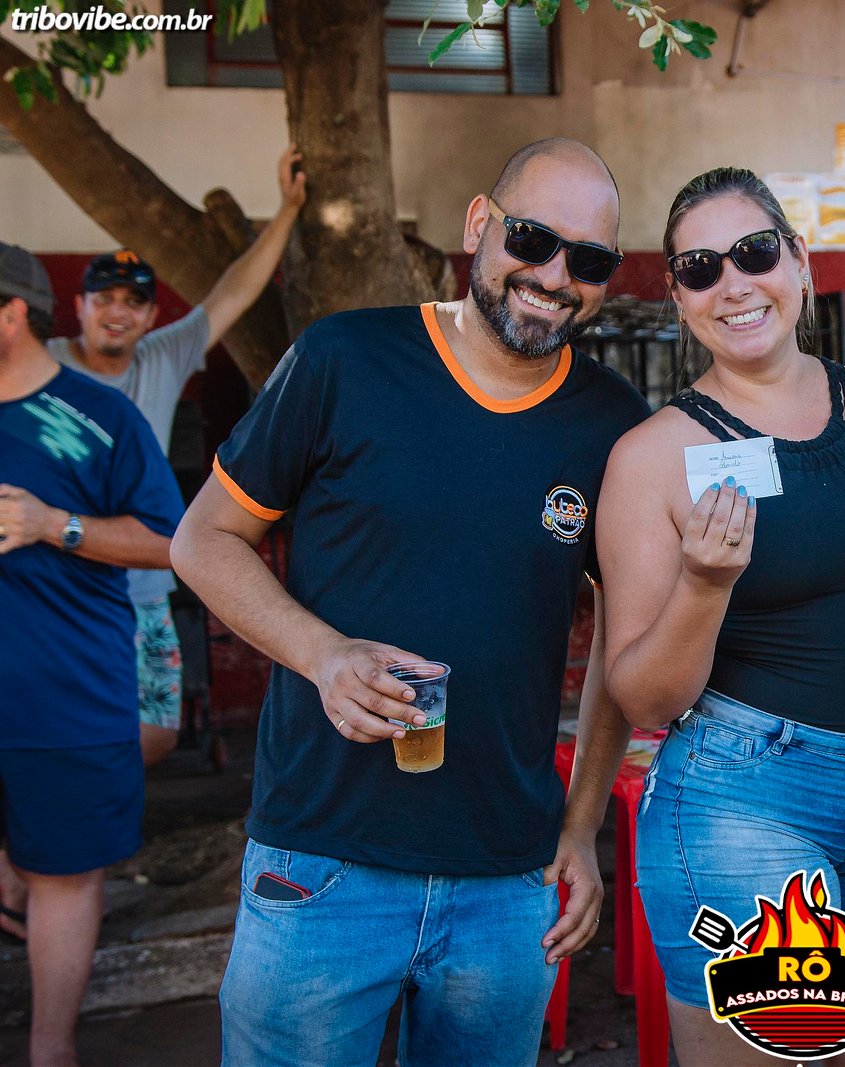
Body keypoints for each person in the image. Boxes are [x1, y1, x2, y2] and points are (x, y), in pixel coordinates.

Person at [169, 138, 650, 1067]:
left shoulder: (612, 423)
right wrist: (323, 655)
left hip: (507, 879)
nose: (555, 277)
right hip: (319, 864)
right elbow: (204, 540)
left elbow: (623, 650)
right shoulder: (344, 359)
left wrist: (582, 823)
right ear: (479, 225)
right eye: (533, 240)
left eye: (589, 260)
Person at [597, 168, 845, 1066]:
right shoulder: (652, 458)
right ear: (678, 296)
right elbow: (643, 696)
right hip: (745, 803)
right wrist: (703, 586)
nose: (734, 284)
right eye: (701, 268)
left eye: (754, 253)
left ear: (799, 259)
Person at [49, 146, 308, 768]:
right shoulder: (42, 366)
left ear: (149, 316)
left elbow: (234, 292)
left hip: (141, 577)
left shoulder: (162, 356)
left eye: (133, 301)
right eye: (104, 298)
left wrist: (287, 209)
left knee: (157, 730)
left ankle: (84, 796)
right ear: (79, 307)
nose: (118, 311)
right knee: (48, 721)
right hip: (56, 576)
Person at [0, 243, 184, 1067]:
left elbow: (172, 540)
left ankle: (51, 1052)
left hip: (65, 698)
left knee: (65, 876)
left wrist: (54, 525)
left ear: (12, 314)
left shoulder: (100, 417)